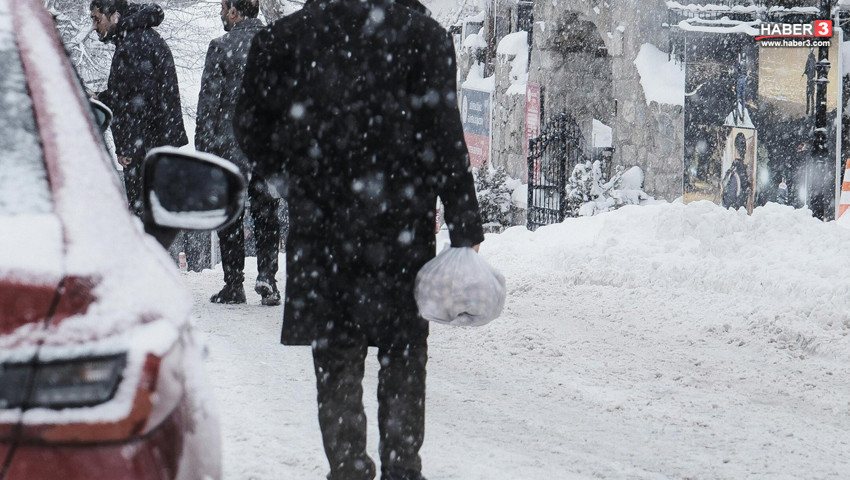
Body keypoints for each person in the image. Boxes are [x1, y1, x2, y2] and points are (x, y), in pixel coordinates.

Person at [234, 0, 485, 478]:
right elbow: (445, 133)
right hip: (401, 223)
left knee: (336, 353)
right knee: (404, 349)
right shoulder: (424, 35)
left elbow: (248, 123)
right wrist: (463, 220)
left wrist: (290, 175)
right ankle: (402, 466)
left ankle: (348, 467)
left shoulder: (288, 36)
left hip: (323, 222)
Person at [196, 0, 280, 305]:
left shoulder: (221, 46)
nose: (220, 13)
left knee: (231, 212)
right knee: (266, 210)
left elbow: (208, 104)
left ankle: (233, 284)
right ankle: (267, 277)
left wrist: (203, 148)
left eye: (223, 7)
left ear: (235, 11)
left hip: (230, 143)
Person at [90, 0, 188, 217]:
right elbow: (130, 92)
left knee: (143, 218)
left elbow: (136, 104)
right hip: (155, 146)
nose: (95, 27)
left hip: (145, 149)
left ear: (114, 15)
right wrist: (101, 97)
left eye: (97, 19)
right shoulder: (140, 38)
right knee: (151, 218)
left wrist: (127, 148)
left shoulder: (134, 44)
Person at [722, 132, 751, 210]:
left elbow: (730, 195)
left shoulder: (734, 171)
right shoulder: (740, 171)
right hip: (739, 209)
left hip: (734, 211)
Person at [804, 48, 816, 116]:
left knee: (810, 97)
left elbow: (808, 67)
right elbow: (807, 67)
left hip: (810, 81)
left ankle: (809, 112)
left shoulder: (811, 59)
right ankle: (810, 112)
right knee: (810, 97)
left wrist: (806, 71)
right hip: (810, 81)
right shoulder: (811, 58)